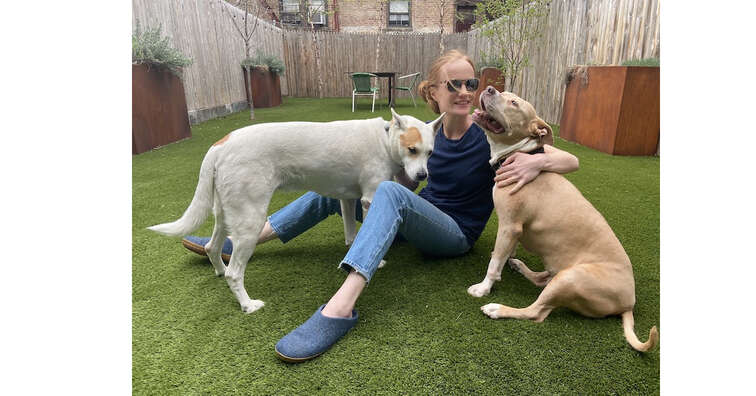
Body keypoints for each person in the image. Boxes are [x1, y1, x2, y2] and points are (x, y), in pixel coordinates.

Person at [182, 50, 579, 362]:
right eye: (452, 83)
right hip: (419, 216)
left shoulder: (489, 135)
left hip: (455, 235)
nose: (463, 90)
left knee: (384, 193)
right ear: (433, 93)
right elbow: (397, 179)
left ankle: (340, 306)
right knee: (341, 184)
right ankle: (244, 240)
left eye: (470, 82)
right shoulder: (421, 133)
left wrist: (539, 158)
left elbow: (571, 161)